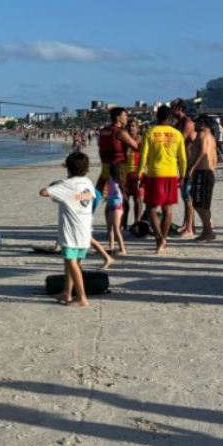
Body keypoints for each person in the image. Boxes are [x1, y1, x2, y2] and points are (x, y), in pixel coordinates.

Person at [39, 152, 96, 308]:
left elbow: (43, 192)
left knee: (72, 264)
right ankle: (67, 292)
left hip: (71, 232)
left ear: (69, 168)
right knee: (71, 263)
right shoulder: (88, 183)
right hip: (84, 231)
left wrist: (56, 185)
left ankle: (82, 297)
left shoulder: (66, 185)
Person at [138, 105, 187, 254]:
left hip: (154, 175)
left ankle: (159, 238)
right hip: (171, 175)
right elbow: (183, 158)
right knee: (168, 208)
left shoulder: (150, 132)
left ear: (157, 117)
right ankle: (163, 241)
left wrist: (140, 173)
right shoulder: (177, 134)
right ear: (169, 118)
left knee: (151, 208)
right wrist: (183, 175)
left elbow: (143, 156)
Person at [188, 115, 219, 243]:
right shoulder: (211, 136)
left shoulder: (203, 136)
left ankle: (208, 232)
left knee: (199, 204)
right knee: (202, 204)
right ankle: (207, 231)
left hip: (203, 173)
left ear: (203, 124)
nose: (194, 124)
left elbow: (202, 152)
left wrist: (191, 169)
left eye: (197, 122)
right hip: (207, 173)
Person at [96, 107, 138, 196]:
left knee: (100, 192)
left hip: (106, 166)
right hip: (118, 168)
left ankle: (88, 208)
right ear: (118, 118)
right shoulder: (120, 132)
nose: (126, 117)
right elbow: (136, 146)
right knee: (119, 195)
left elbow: (100, 148)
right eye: (124, 115)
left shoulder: (103, 131)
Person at [171, 99, 197, 239]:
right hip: (182, 164)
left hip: (190, 163)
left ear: (180, 108)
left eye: (173, 107)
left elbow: (178, 142)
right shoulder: (178, 124)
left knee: (188, 196)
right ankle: (187, 223)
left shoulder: (187, 123)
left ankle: (189, 228)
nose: (170, 110)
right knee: (185, 195)